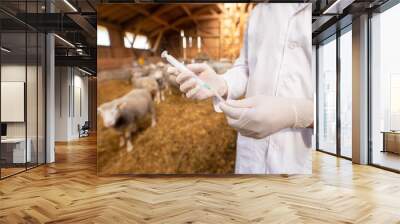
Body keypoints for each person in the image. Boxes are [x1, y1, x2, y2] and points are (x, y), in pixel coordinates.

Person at [169, 3, 313, 174]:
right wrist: (223, 82)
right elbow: (246, 67)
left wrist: (298, 113)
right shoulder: (259, 12)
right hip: (252, 156)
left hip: (302, 157)